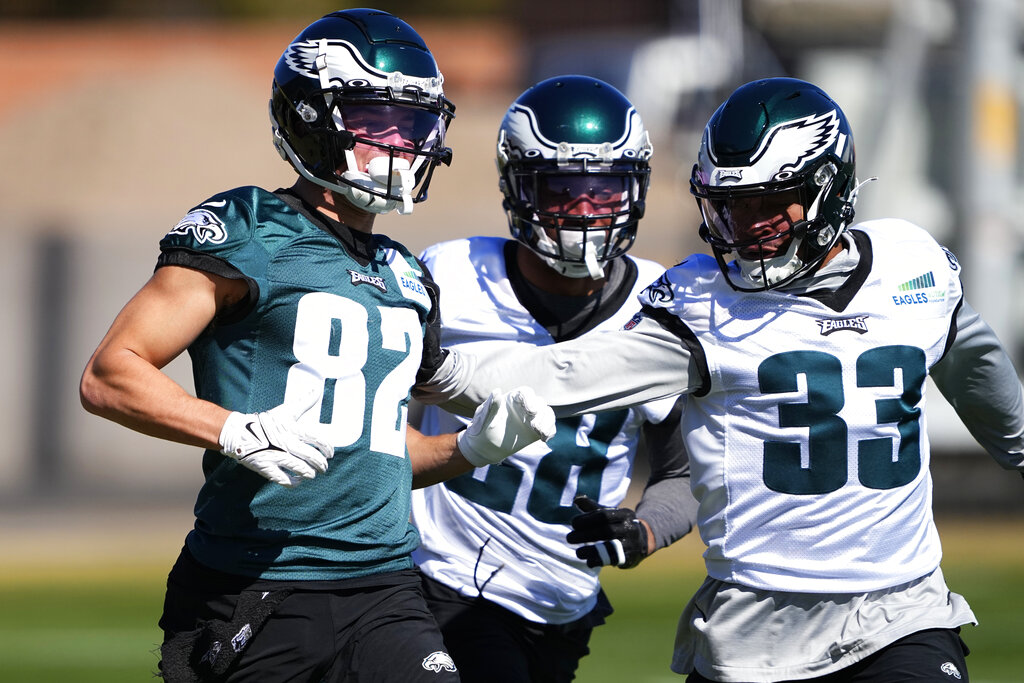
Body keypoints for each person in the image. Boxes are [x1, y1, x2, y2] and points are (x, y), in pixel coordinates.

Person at [416, 77, 1024, 682]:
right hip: (755, 630)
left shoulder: (911, 264)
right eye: (733, 205)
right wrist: (439, 369)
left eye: (768, 201)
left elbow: (979, 368)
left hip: (902, 610)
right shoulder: (701, 304)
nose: (748, 224)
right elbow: (563, 374)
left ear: (825, 189)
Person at [78, 9, 554, 683]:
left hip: (386, 588)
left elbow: (380, 454)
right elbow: (110, 373)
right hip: (256, 582)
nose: (403, 145)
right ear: (311, 118)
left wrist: (468, 449)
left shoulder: (405, 273)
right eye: (379, 122)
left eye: (414, 125)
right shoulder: (248, 228)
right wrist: (233, 429)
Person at [408, 75, 699, 683]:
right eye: (564, 189)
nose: (586, 210)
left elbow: (683, 473)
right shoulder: (451, 277)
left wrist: (643, 531)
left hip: (563, 596)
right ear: (520, 188)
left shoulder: (664, 302)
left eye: (606, 191)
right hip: (441, 577)